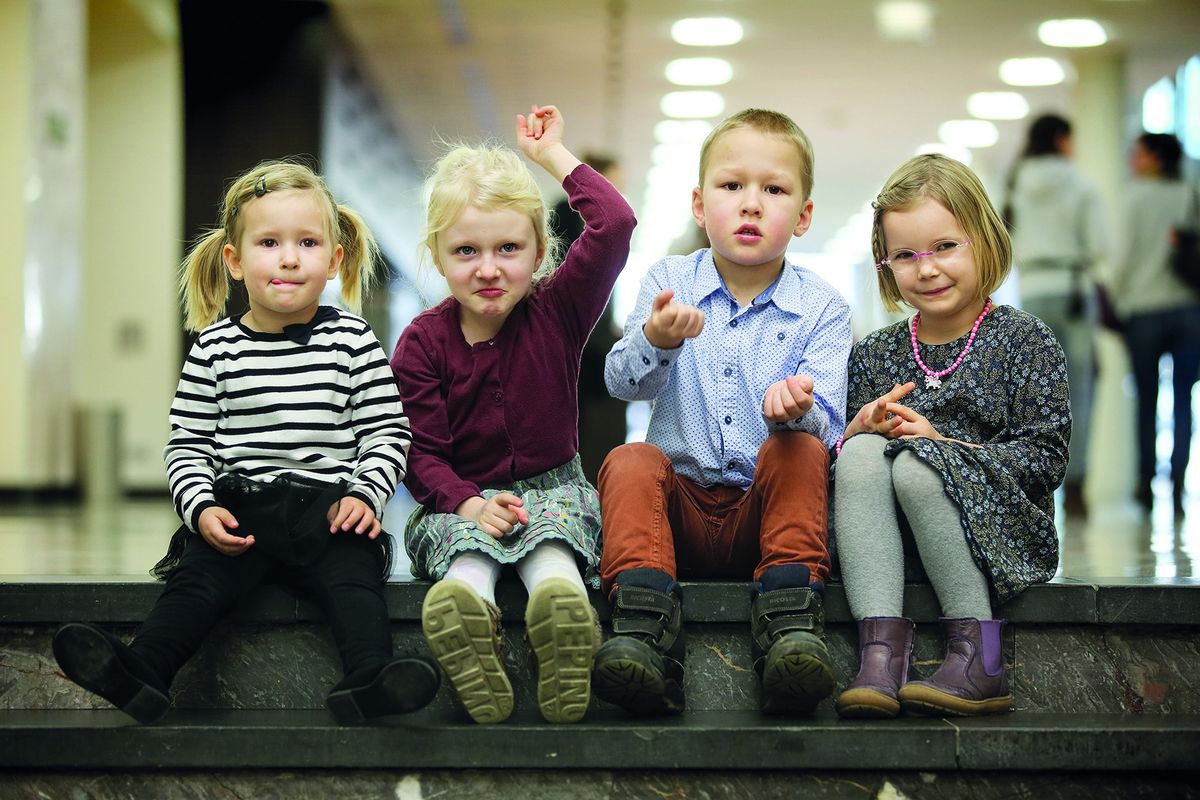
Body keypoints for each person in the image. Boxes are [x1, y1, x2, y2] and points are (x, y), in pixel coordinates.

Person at [52, 160, 440, 725]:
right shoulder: (214, 349)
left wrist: (366, 494)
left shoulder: (353, 340)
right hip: (241, 512)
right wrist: (201, 507)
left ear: (333, 260)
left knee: (354, 581)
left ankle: (369, 679)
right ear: (234, 261)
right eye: (268, 242)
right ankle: (143, 671)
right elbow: (187, 444)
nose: (288, 257)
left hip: (328, 510)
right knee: (198, 583)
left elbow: (387, 430)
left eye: (307, 242)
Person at [594, 108, 851, 716]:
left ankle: (790, 626)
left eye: (775, 189)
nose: (751, 204)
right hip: (676, 518)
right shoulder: (668, 280)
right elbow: (619, 383)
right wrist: (655, 340)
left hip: (765, 521)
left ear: (804, 216)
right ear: (698, 204)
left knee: (800, 449)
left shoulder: (823, 308)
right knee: (630, 459)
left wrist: (798, 412)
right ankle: (642, 630)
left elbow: (833, 429)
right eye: (732, 186)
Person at [391, 105, 636, 725]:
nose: (490, 268)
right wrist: (470, 503)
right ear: (439, 257)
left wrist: (554, 155)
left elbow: (614, 223)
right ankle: (466, 613)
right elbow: (419, 452)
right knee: (464, 547)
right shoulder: (422, 343)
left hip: (552, 489)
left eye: (509, 248)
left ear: (539, 251)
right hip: (461, 498)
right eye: (467, 250)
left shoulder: (558, 311)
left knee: (550, 540)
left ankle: (562, 617)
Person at [833, 154, 1069, 720]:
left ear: (984, 241)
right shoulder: (876, 353)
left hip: (999, 536)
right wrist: (857, 429)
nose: (927, 268)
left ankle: (983, 657)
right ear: (885, 265)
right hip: (892, 550)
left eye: (945, 246)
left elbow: (1046, 460)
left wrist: (948, 451)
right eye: (906, 255)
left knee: (920, 464)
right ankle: (881, 655)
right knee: (861, 451)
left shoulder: (1025, 340)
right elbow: (837, 467)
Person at [1005, 113, 1106, 515]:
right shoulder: (1081, 184)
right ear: (1063, 140)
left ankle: (1038, 485)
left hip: (1034, 289)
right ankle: (1077, 484)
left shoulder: (1017, 181)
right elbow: (1099, 244)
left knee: (1031, 395)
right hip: (1073, 290)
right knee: (1078, 391)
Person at [1110, 133, 1200, 512]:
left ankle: (1145, 484)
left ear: (1154, 158)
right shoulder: (1187, 193)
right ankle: (1177, 485)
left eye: (1139, 151)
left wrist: (1115, 298)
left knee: (1146, 401)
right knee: (1183, 399)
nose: (1133, 157)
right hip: (1187, 309)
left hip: (1143, 311)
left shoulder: (1132, 197)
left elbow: (1122, 258)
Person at [550, 153, 629, 485]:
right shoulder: (568, 216)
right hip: (580, 347)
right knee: (587, 434)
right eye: (611, 183)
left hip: (591, 345)